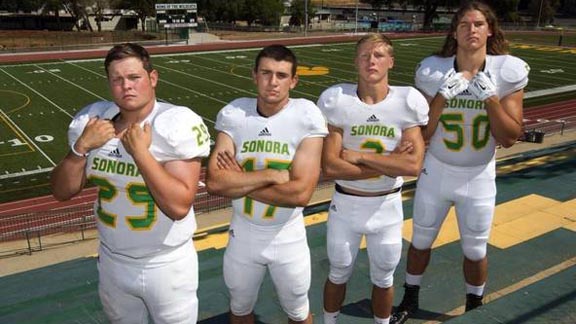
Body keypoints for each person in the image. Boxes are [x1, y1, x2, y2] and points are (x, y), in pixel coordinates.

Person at [50, 43, 210, 323]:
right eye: (117, 79)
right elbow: (62, 191)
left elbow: (179, 205)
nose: (127, 86)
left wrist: (140, 153)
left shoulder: (175, 123)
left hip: (165, 264)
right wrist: (80, 148)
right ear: (109, 84)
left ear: (153, 78)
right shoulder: (93, 123)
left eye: (134, 77)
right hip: (113, 261)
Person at [392, 2, 530, 323]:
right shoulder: (433, 71)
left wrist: (491, 99)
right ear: (455, 31)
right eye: (465, 25)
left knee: (475, 250)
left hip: (478, 175)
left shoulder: (506, 71)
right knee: (421, 241)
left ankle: (474, 305)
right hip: (437, 170)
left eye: (479, 24)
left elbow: (510, 136)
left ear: (490, 30)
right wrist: (441, 96)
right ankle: (410, 297)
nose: (472, 30)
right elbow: (422, 134)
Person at [206, 44, 328, 324]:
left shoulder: (306, 115)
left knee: (298, 312)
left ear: (294, 80)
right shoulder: (235, 114)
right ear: (254, 75)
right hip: (243, 234)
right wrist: (270, 175)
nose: (273, 82)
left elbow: (300, 193)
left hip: (287, 235)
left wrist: (240, 181)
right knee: (239, 308)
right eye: (266, 73)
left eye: (282, 75)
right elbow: (215, 181)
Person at [317, 33, 429, 324]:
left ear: (391, 61)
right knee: (338, 272)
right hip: (346, 203)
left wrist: (358, 156)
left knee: (384, 276)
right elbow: (330, 167)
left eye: (378, 55)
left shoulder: (407, 101)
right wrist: (391, 162)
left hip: (387, 206)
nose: (371, 61)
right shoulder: (337, 100)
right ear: (356, 61)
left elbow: (414, 164)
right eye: (365, 55)